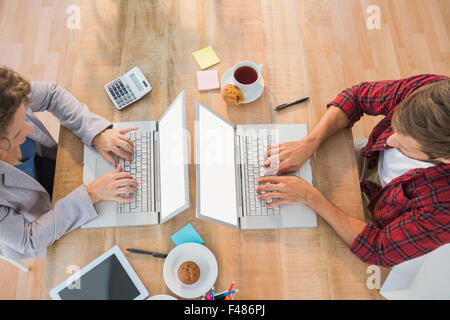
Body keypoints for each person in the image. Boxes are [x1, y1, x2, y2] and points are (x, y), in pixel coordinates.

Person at [259, 74, 449, 267]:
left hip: (375, 216)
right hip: (369, 157)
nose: (389, 142)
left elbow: (379, 248)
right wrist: (308, 143)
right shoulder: (433, 94)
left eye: (404, 146)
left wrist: (311, 197)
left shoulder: (445, 209)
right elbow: (356, 97)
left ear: (445, 159)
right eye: (395, 128)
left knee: (291, 247)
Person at [0, 66, 138, 259]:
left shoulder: (7, 97)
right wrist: (90, 194)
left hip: (58, 174)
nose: (30, 129)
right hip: (45, 226)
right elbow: (29, 239)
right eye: (18, 132)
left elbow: (51, 95)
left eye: (25, 117)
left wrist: (96, 132)